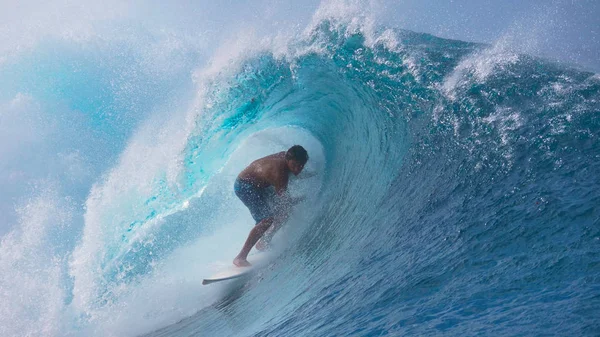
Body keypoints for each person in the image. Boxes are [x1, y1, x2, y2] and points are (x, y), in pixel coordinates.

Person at [233, 145, 309, 267]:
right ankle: (240, 257)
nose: (297, 169)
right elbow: (285, 201)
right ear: (288, 160)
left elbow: (284, 202)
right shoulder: (280, 174)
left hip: (260, 185)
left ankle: (264, 241)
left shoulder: (286, 156)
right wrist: (300, 199)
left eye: (300, 166)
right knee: (266, 220)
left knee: (285, 213)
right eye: (294, 165)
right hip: (245, 186)